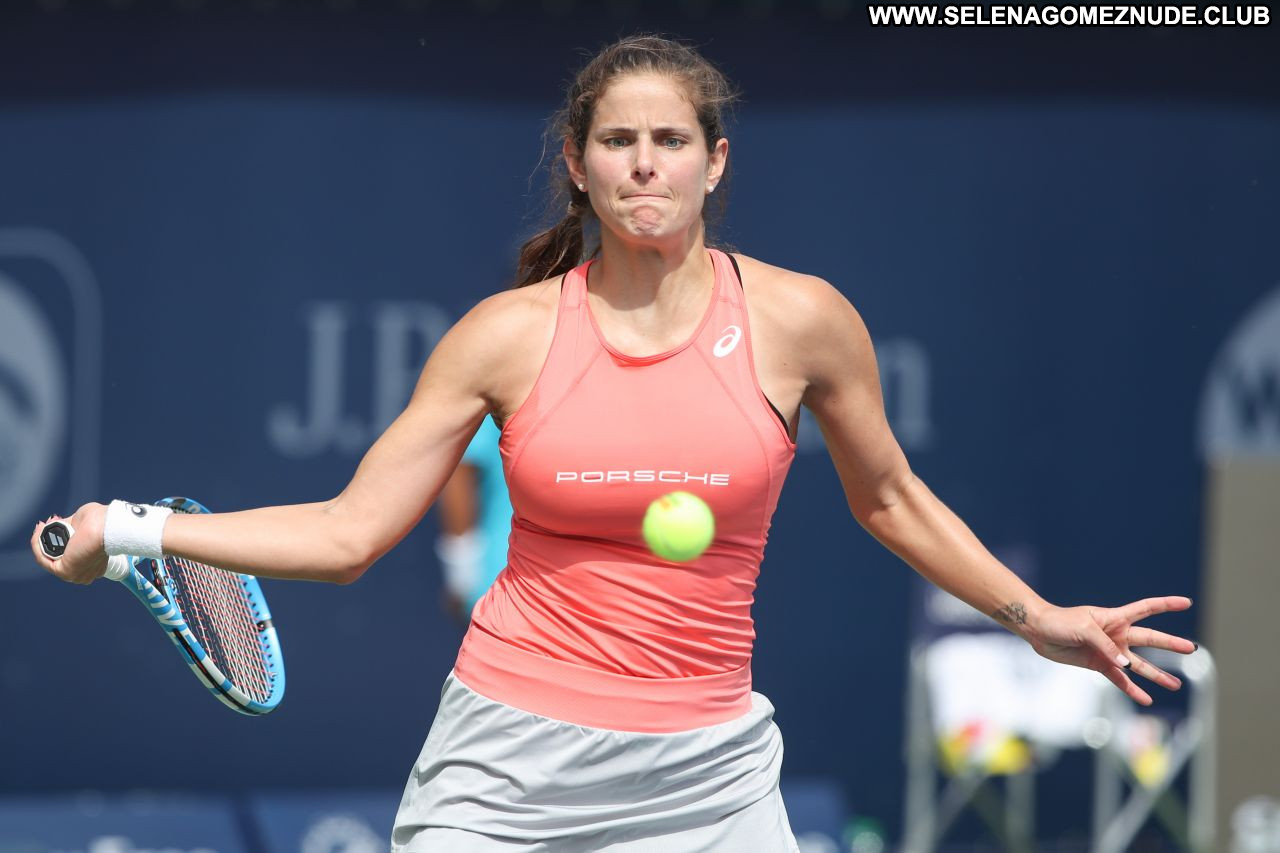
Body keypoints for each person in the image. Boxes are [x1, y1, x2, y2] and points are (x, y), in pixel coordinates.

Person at [31, 35, 1195, 852]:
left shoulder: (800, 320)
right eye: (620, 140)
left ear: (714, 161)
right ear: (579, 165)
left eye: (671, 140)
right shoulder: (505, 334)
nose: (645, 162)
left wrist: (1035, 618)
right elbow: (347, 534)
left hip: (708, 773)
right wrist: (130, 530)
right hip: (504, 763)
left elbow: (888, 496)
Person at [435, 414, 512, 623]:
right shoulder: (495, 399)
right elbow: (459, 470)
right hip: (500, 585)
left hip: (568, 585)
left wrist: (461, 579)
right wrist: (463, 574)